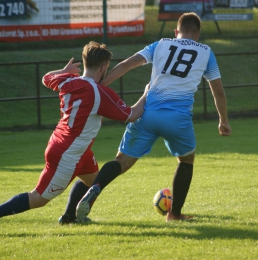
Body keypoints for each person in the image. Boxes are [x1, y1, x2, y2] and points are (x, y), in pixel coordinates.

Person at [73, 12, 232, 222]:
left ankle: (95, 190)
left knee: (121, 161)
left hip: (146, 114)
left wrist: (98, 86)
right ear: (197, 35)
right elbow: (218, 92)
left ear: (176, 32)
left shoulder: (160, 44)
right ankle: (174, 214)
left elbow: (127, 64)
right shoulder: (206, 52)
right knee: (186, 160)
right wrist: (223, 120)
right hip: (178, 119)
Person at [0, 41, 147, 223]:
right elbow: (132, 115)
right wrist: (147, 93)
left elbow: (46, 78)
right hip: (68, 154)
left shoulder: (68, 80)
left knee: (94, 181)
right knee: (37, 198)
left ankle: (70, 217)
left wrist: (63, 70)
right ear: (103, 67)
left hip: (71, 147)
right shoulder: (99, 92)